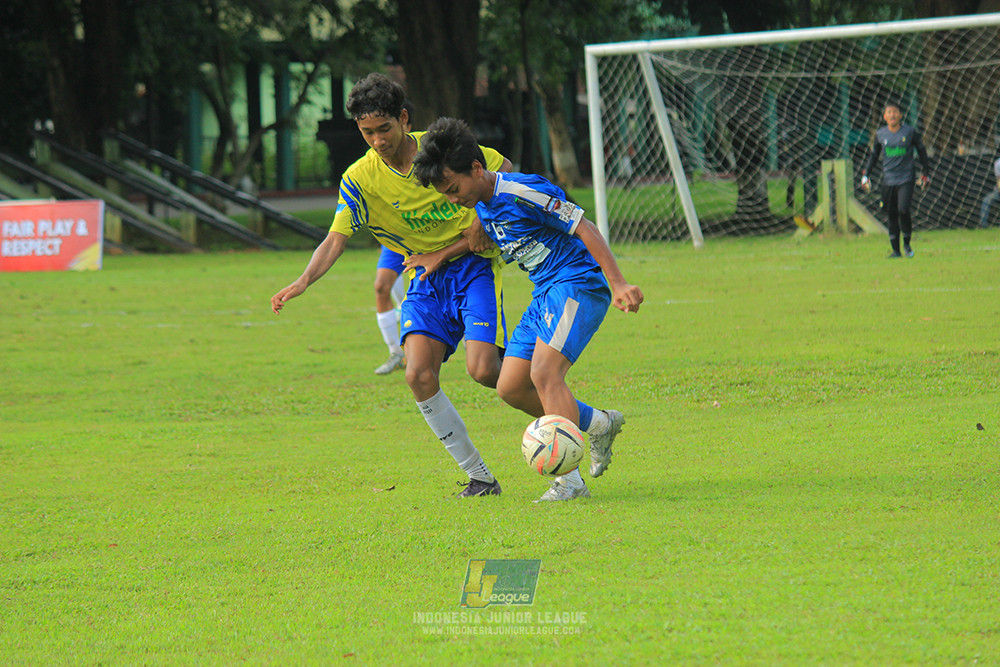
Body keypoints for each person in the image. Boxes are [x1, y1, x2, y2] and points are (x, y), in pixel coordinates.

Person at [270, 74, 513, 498]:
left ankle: (561, 405)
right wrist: (303, 280)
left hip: (473, 267)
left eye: (384, 129)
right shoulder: (360, 179)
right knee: (418, 374)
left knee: (485, 371)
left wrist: (480, 219)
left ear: (403, 119)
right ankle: (480, 478)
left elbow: (503, 168)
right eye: (367, 132)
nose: (378, 140)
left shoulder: (439, 149)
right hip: (423, 276)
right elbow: (336, 238)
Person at [411, 117, 644, 502]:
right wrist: (441, 254)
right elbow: (484, 238)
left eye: (454, 189)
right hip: (544, 294)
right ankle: (600, 424)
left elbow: (583, 225)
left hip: (576, 283)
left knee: (545, 372)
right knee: (511, 386)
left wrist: (618, 282)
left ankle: (569, 483)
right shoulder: (484, 207)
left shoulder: (522, 191)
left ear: (476, 169)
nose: (453, 199)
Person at [371, 100, 415, 376]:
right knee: (381, 287)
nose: (379, 139)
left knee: (415, 295)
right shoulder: (374, 163)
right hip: (395, 240)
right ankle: (396, 353)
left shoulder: (421, 155)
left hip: (424, 237)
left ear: (404, 121)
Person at [860, 102, 931, 258]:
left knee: (903, 209)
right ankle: (896, 251)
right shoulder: (880, 134)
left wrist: (925, 173)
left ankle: (907, 244)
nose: (892, 115)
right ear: (885, 116)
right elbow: (874, 155)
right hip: (888, 180)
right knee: (891, 214)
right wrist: (866, 175)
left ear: (900, 115)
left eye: (895, 112)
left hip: (906, 178)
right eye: (889, 112)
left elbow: (921, 151)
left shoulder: (909, 132)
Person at [978, 155, 1000, 229]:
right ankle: (983, 225)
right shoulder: (998, 163)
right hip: (998, 193)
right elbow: (999, 181)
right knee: (986, 201)